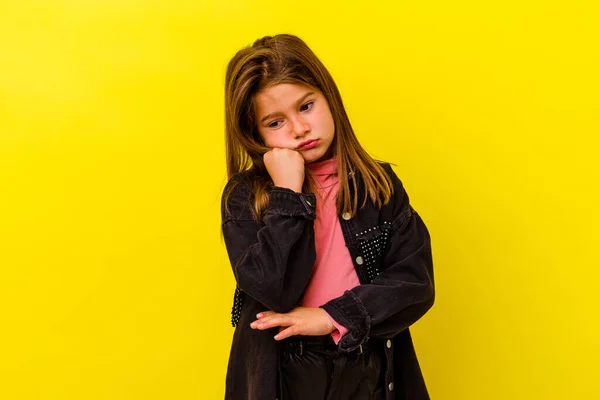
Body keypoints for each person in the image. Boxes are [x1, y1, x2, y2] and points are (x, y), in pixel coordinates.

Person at [220, 33, 435, 400]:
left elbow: (415, 284)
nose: (299, 129)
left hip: (363, 360)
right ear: (254, 135)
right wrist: (288, 195)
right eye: (275, 123)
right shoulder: (245, 198)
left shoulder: (377, 185)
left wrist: (333, 316)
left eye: (306, 107)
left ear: (328, 97)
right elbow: (273, 289)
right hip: (285, 371)